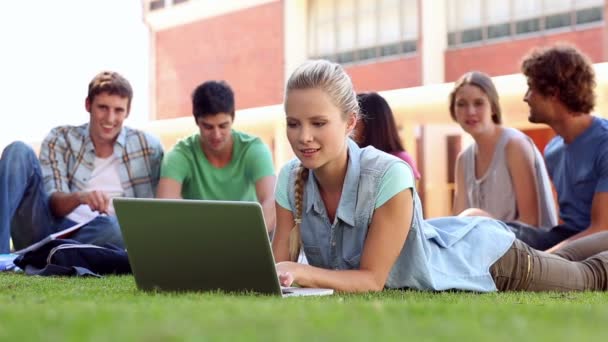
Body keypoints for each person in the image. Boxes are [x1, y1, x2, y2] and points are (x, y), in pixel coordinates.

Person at [271, 59, 608, 293]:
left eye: (318, 123)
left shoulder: (388, 175)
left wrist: (303, 272)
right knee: (564, 257)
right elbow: (277, 268)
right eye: (293, 123)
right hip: (457, 243)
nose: (303, 137)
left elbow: (372, 280)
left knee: (588, 275)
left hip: (488, 261)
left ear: (350, 122)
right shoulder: (290, 177)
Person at [0, 71, 164, 254]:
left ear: (128, 111)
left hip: (101, 236)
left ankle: (48, 255)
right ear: (88, 105)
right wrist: (81, 197)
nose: (110, 119)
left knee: (118, 227)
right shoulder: (61, 139)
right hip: (46, 229)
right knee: (18, 150)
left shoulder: (147, 147)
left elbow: (158, 208)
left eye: (118, 110)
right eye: (103, 107)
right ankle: (4, 255)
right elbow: (53, 204)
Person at [505, 44, 608, 251]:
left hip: (601, 246)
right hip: (570, 237)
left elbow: (602, 228)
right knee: (504, 234)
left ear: (553, 92)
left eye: (531, 88)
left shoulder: (604, 143)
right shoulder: (553, 150)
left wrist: (543, 261)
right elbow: (566, 228)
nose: (526, 97)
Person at [156, 80, 276, 232]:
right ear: (196, 121)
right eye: (208, 127)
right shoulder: (180, 154)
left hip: (247, 234)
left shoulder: (253, 149)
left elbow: (271, 201)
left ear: (232, 119)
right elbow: (165, 207)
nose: (216, 135)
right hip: (197, 236)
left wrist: (245, 239)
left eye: (223, 126)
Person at [449, 71, 556, 228]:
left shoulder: (514, 145)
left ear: (492, 107)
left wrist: (481, 219)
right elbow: (457, 223)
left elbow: (531, 222)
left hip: (526, 248)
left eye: (478, 103)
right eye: (461, 104)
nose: (470, 111)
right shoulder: (463, 159)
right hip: (484, 247)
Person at [354, 92, 421, 179]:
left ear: (370, 124)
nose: (349, 126)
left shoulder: (400, 160)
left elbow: (410, 191)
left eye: (355, 120)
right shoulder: (353, 157)